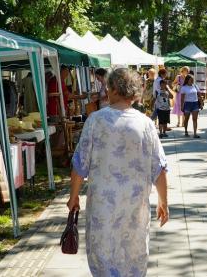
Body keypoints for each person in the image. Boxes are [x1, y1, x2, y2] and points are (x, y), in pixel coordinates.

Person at [67, 68, 169, 276]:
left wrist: (73, 196)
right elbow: (159, 168)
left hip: (102, 207)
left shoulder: (95, 121)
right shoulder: (146, 124)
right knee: (133, 256)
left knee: (102, 257)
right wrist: (163, 201)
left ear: (112, 90)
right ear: (133, 92)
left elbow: (79, 165)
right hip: (135, 207)